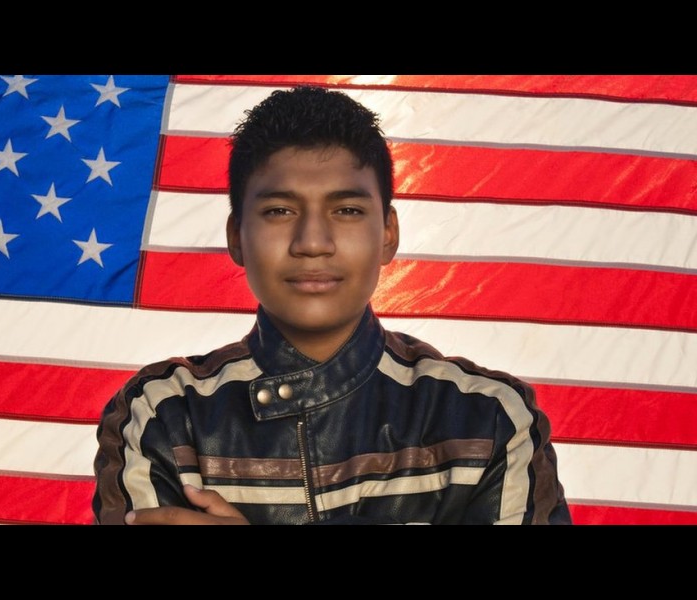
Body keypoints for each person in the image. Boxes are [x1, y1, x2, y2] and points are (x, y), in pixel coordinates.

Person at [92, 85, 572, 525]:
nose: (313, 242)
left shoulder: (487, 418)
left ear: (388, 234)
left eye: (346, 210)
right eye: (279, 210)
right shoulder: (165, 413)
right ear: (236, 236)